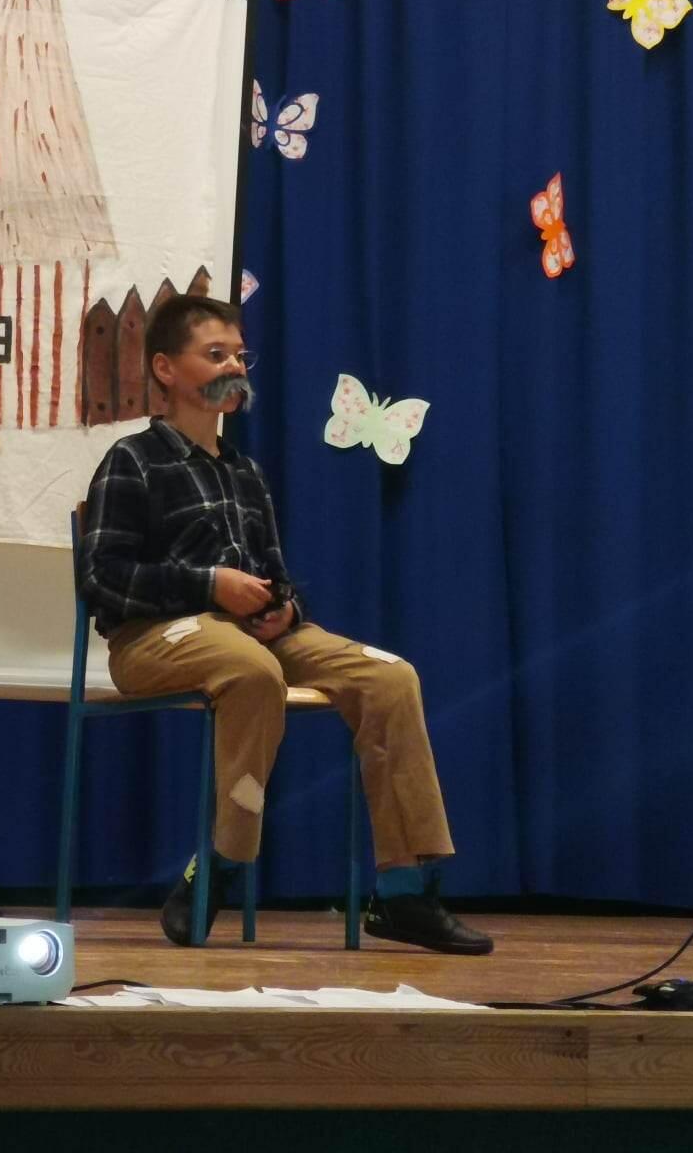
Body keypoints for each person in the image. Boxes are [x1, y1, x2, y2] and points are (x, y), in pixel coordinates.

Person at [78, 293, 492, 954]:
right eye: (216, 354)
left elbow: (278, 575)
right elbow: (101, 576)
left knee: (391, 679)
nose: (234, 366)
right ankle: (222, 864)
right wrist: (209, 584)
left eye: (240, 355)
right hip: (155, 639)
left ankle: (404, 890)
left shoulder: (245, 472)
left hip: (248, 637)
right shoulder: (133, 460)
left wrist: (286, 609)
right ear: (165, 368)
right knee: (251, 670)